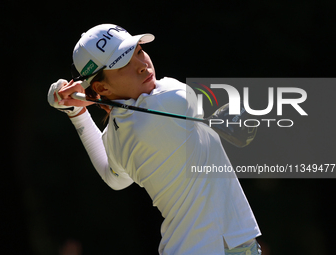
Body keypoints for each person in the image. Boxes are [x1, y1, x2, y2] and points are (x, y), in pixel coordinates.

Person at [48, 24, 262, 255]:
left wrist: (76, 112)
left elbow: (114, 179)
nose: (142, 66)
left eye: (138, 51)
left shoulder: (115, 135)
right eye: (123, 64)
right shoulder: (170, 98)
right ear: (102, 86)